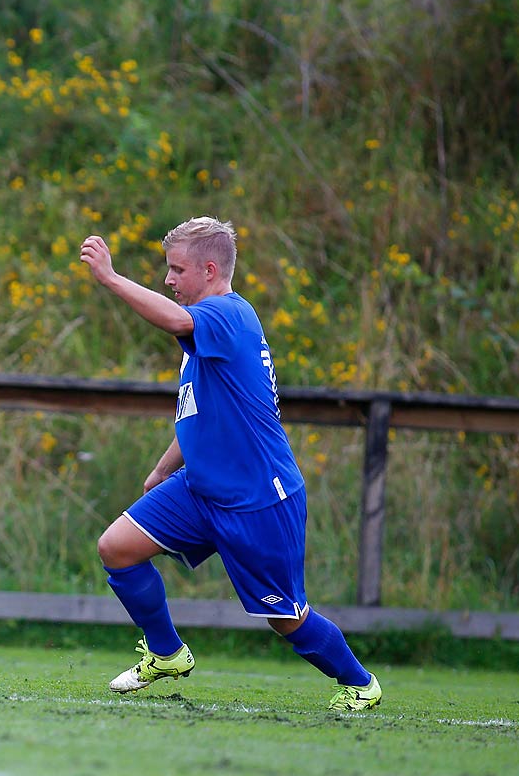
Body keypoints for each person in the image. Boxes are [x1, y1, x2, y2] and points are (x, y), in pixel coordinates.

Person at [79, 217, 382, 710]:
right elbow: (204, 412)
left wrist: (112, 279)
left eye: (177, 270)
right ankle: (167, 653)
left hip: (258, 496)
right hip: (201, 487)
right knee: (116, 548)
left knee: (285, 617)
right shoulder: (208, 332)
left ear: (210, 269)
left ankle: (360, 684)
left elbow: (176, 321)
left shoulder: (228, 315)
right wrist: (161, 471)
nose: (169, 280)